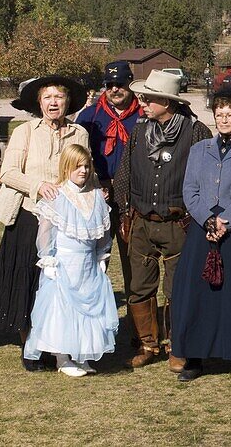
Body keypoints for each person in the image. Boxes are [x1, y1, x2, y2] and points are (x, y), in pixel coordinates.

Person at [0, 74, 88, 372]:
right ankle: (32, 346)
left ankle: (59, 345)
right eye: (48, 97)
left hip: (66, 219)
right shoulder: (26, 132)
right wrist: (38, 185)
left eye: (59, 97)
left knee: (58, 285)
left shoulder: (79, 133)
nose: (54, 102)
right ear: (38, 103)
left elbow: (83, 168)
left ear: (67, 102)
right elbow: (9, 173)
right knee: (28, 282)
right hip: (30, 215)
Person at [114, 69, 211, 371]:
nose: (142, 101)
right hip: (141, 221)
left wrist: (199, 217)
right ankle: (147, 344)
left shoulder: (196, 132)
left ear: (167, 102)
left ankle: (176, 345)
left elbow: (207, 180)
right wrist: (123, 211)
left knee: (177, 288)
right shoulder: (139, 130)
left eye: (150, 98)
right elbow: (123, 174)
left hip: (178, 224)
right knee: (140, 287)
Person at [170, 85, 231, 381]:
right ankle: (195, 357)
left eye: (230, 114)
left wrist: (226, 219)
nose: (225, 119)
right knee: (196, 292)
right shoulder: (199, 150)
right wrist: (207, 219)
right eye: (220, 114)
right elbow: (190, 190)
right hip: (203, 228)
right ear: (214, 116)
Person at [24, 144, 118, 377]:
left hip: (87, 264)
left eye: (86, 166)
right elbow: (45, 232)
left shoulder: (96, 196)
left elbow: (103, 234)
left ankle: (82, 353)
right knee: (62, 308)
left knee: (89, 309)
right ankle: (62, 357)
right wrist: (48, 259)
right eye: (77, 166)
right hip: (65, 263)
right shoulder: (57, 196)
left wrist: (100, 256)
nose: (83, 171)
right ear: (67, 167)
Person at [75, 61, 142, 300]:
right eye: (110, 84)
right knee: (93, 258)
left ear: (130, 84)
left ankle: (137, 331)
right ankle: (90, 314)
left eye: (120, 84)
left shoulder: (144, 117)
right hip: (96, 195)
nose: (115, 89)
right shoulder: (89, 116)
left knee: (133, 262)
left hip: (131, 197)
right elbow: (75, 156)